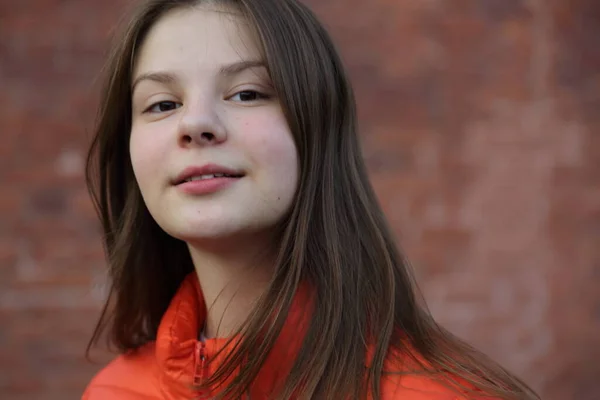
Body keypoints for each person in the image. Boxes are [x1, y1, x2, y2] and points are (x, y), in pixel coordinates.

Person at [82, 0, 540, 399]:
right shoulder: (110, 392)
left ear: (318, 131)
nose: (196, 123)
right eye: (162, 104)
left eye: (247, 93)